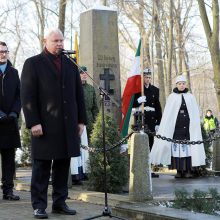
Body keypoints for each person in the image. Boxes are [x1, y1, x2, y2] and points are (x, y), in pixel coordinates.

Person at [21, 29, 87, 219]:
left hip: (67, 125)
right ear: (45, 41)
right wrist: (33, 122)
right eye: (55, 40)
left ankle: (60, 203)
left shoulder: (70, 64)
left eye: (61, 40)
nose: (59, 43)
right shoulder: (33, 63)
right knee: (41, 167)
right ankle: (39, 205)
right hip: (44, 126)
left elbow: (78, 95)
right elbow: (27, 96)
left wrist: (81, 120)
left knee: (62, 165)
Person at [150, 75, 206, 178]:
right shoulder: (172, 97)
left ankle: (188, 170)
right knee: (177, 149)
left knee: (188, 149)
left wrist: (194, 124)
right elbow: (168, 114)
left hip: (188, 127)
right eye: (179, 84)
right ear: (176, 85)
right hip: (176, 127)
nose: (181, 85)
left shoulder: (190, 97)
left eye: (183, 83)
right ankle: (179, 171)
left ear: (186, 84)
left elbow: (194, 113)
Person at [0, 41, 21, 201]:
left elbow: (19, 95)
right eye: (0, 52)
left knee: (9, 160)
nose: (3, 54)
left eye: (5, 51)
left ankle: (8, 191)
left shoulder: (14, 73)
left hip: (10, 123)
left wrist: (14, 112)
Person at [70, 66, 98, 184]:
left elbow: (95, 108)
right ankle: (76, 174)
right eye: (82, 73)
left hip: (88, 120)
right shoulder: (72, 87)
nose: (84, 75)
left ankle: (86, 171)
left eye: (85, 73)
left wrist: (96, 122)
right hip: (75, 120)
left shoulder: (91, 89)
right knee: (76, 148)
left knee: (86, 148)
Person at [133, 68, 162, 177]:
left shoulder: (155, 90)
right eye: (146, 77)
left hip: (151, 119)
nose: (148, 79)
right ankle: (141, 168)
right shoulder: (138, 90)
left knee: (150, 144)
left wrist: (158, 122)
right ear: (143, 77)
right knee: (141, 143)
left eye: (149, 77)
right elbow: (132, 105)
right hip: (141, 118)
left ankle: (149, 169)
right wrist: (138, 101)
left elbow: (158, 107)